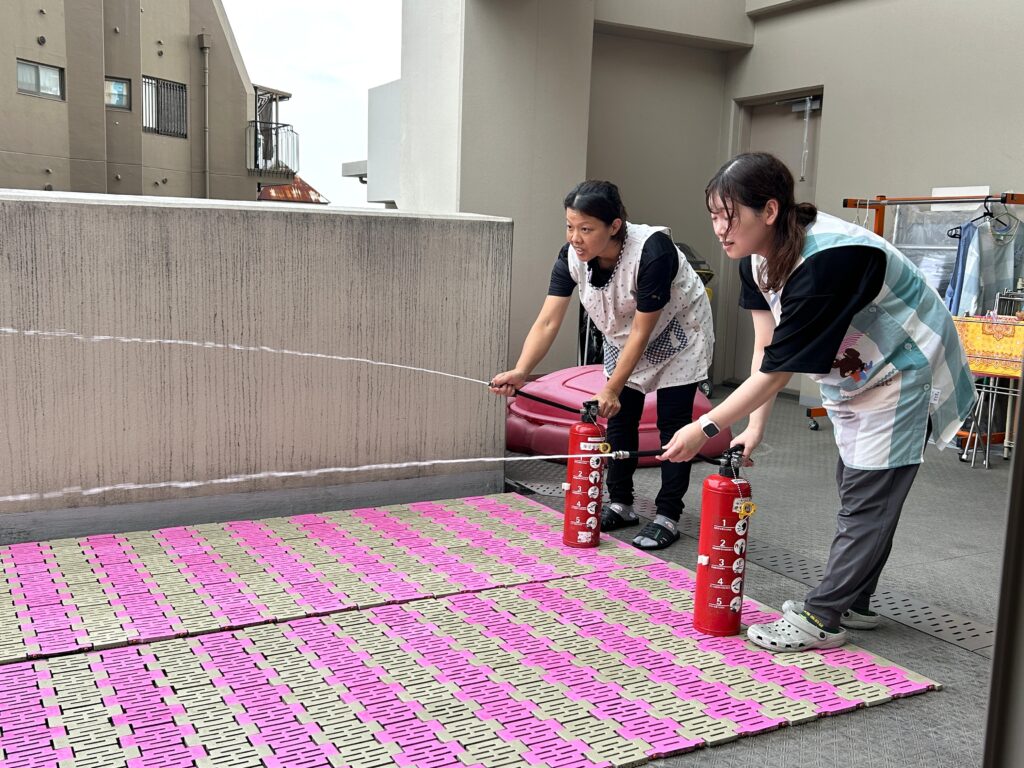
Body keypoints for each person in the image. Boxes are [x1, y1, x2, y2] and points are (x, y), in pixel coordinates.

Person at [660, 152, 976, 651]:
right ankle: (855, 598)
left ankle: (823, 616)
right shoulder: (757, 258)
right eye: (713, 216)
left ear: (768, 210)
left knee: (869, 495)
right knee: (860, 486)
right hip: (860, 375)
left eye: (729, 215)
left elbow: (776, 371)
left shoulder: (830, 258)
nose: (720, 229)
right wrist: (753, 427)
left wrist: (706, 427)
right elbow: (767, 351)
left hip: (905, 369)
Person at [491, 180, 714, 550]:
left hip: (677, 335)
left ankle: (667, 515)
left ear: (614, 226)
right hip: (623, 338)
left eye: (586, 228)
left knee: (673, 426)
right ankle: (621, 503)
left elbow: (645, 329)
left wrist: (611, 387)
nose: (575, 237)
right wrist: (520, 370)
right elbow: (548, 320)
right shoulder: (570, 258)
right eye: (570, 226)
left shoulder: (652, 251)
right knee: (620, 421)